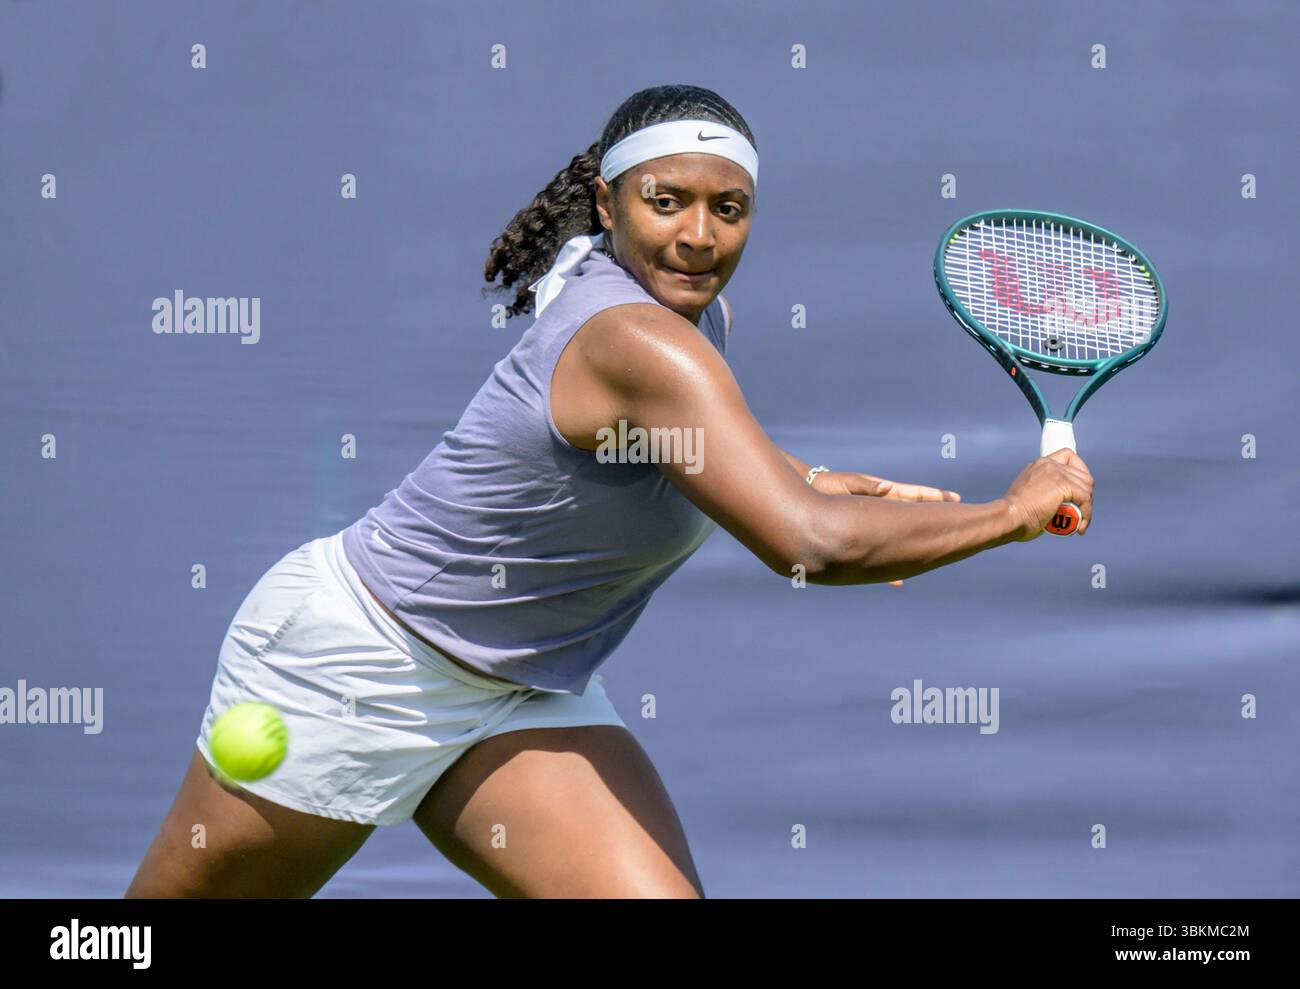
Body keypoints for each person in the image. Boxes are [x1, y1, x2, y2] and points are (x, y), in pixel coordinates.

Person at [125, 83, 1093, 899]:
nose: (699, 236)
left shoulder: (682, 322)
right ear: (607, 200)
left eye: (728, 208)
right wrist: (1009, 511)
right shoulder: (638, 340)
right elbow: (808, 545)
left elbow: (681, 450)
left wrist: (812, 476)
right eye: (666, 201)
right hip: (360, 662)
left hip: (514, 687)